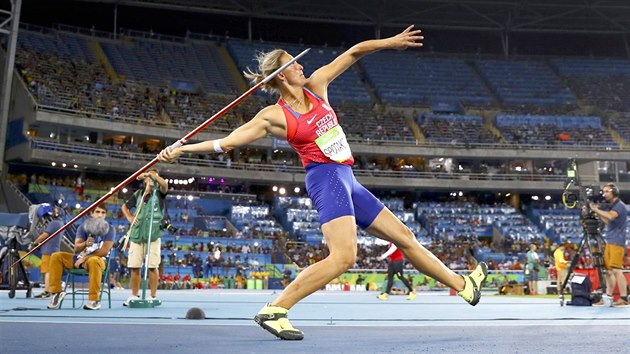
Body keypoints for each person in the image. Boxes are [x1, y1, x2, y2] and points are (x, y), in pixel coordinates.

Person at [158, 25, 487, 340]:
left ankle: (463, 285)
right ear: (281, 76)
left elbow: (355, 52)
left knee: (405, 236)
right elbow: (227, 142)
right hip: (325, 177)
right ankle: (276, 309)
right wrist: (182, 148)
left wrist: (391, 42)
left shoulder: (317, 86)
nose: (301, 66)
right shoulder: (275, 115)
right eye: (293, 64)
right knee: (344, 257)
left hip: (348, 179)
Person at [47, 204, 114, 310]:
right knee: (56, 256)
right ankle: (56, 293)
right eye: (97, 212)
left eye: (103, 213)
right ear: (91, 214)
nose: (100, 215)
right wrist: (85, 244)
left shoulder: (110, 229)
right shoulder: (83, 227)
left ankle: (94, 300)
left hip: (98, 260)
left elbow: (104, 251)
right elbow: (77, 248)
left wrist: (85, 258)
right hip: (79, 259)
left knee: (93, 261)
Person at [121, 168, 168, 306]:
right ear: (144, 181)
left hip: (153, 235)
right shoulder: (138, 194)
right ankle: (134, 295)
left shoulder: (160, 193)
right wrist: (130, 217)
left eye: (155, 176)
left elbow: (165, 185)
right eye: (149, 177)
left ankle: (152, 296)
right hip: (137, 234)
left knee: (152, 266)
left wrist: (151, 175)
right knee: (135, 266)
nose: (152, 178)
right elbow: (124, 207)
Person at [590, 183, 629, 307]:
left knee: (617, 270)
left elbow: (610, 216)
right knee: (609, 271)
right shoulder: (614, 206)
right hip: (611, 240)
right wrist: (598, 214)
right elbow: (607, 221)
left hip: (617, 241)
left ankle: (624, 298)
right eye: (604, 191)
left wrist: (596, 209)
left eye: (607, 191)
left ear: (614, 192)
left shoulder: (619, 206)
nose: (604, 194)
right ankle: (608, 298)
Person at [31, 204, 64, 299]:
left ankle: (47, 291)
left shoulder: (54, 223)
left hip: (49, 250)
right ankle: (49, 290)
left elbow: (44, 235)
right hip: (53, 249)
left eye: (54, 211)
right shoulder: (60, 223)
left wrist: (34, 242)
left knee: (47, 271)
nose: (52, 213)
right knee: (49, 271)